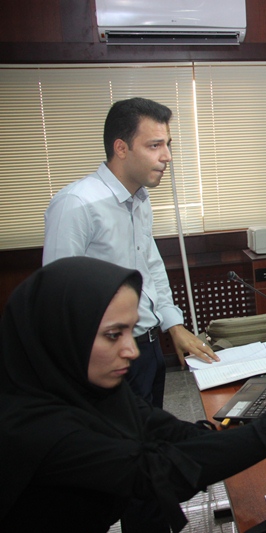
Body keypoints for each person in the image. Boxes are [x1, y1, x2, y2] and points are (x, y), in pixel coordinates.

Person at [0, 256, 266, 533]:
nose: (131, 350)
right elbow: (157, 471)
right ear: (61, 335)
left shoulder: (91, 392)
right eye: (113, 335)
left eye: (131, 332)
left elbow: (175, 437)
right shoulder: (33, 427)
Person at [43, 97, 219, 409]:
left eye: (167, 144)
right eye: (154, 145)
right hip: (106, 358)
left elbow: (149, 266)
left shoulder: (139, 199)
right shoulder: (77, 204)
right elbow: (57, 298)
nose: (167, 156)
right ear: (121, 148)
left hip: (147, 346)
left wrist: (173, 325)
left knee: (148, 431)